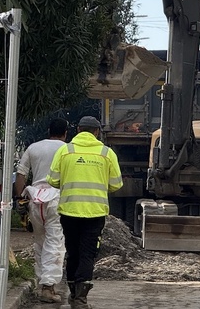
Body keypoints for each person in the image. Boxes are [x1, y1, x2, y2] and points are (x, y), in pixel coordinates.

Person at [47, 116, 123, 309]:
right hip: (94, 214)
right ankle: (80, 299)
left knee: (73, 253)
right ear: (97, 132)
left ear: (79, 130)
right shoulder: (107, 153)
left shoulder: (65, 151)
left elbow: (52, 180)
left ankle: (73, 292)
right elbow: (116, 184)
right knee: (88, 254)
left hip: (69, 211)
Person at [14, 118, 68, 304]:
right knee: (55, 242)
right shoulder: (66, 149)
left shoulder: (34, 148)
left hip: (35, 199)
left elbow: (21, 174)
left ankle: (42, 282)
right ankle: (48, 287)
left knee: (40, 242)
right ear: (65, 133)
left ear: (48, 130)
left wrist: (20, 198)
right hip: (57, 198)